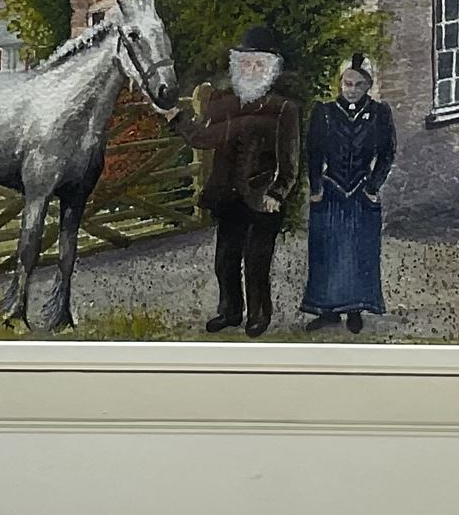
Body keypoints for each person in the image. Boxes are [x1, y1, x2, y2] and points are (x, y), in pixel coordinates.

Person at [168, 23, 300, 337]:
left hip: (262, 196)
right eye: (246, 63)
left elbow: (291, 160)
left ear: (270, 69)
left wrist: (278, 193)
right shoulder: (221, 101)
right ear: (236, 65)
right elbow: (202, 137)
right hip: (227, 194)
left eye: (259, 64)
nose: (251, 69)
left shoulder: (283, 108)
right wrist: (177, 119)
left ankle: (259, 315)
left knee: (257, 262)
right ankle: (229, 311)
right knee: (225, 260)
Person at [300, 54, 396, 334]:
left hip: (360, 191)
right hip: (331, 190)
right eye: (347, 83)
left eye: (358, 84)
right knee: (328, 251)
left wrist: (373, 187)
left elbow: (387, 153)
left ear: (368, 86)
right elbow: (314, 152)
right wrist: (316, 187)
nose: (351, 89)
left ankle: (354, 309)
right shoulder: (325, 112)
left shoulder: (379, 113)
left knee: (358, 250)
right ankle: (327, 310)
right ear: (340, 83)